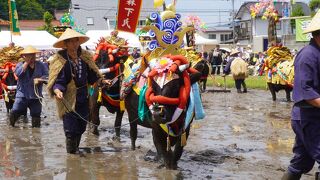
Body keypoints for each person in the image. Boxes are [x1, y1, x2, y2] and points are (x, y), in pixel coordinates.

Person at [47, 28, 111, 154]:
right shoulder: (60, 60)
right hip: (68, 98)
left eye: (76, 41)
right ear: (65, 44)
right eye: (71, 42)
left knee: (81, 126)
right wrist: (58, 90)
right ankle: (71, 154)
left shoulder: (85, 57)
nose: (74, 44)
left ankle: (75, 148)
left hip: (83, 97)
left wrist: (102, 81)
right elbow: (58, 80)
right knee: (70, 129)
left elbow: (93, 75)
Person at [281, 11, 320, 180]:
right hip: (308, 117)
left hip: (313, 116)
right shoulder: (308, 56)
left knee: (301, 162)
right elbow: (306, 92)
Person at [9, 46, 48, 127]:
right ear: (24, 56)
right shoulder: (20, 64)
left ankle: (36, 136)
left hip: (36, 95)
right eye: (29, 55)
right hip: (22, 95)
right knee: (16, 110)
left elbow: (47, 76)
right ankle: (11, 126)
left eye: (33, 55)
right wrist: (26, 63)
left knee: (36, 114)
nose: (31, 57)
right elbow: (18, 74)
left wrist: (40, 79)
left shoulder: (40, 65)